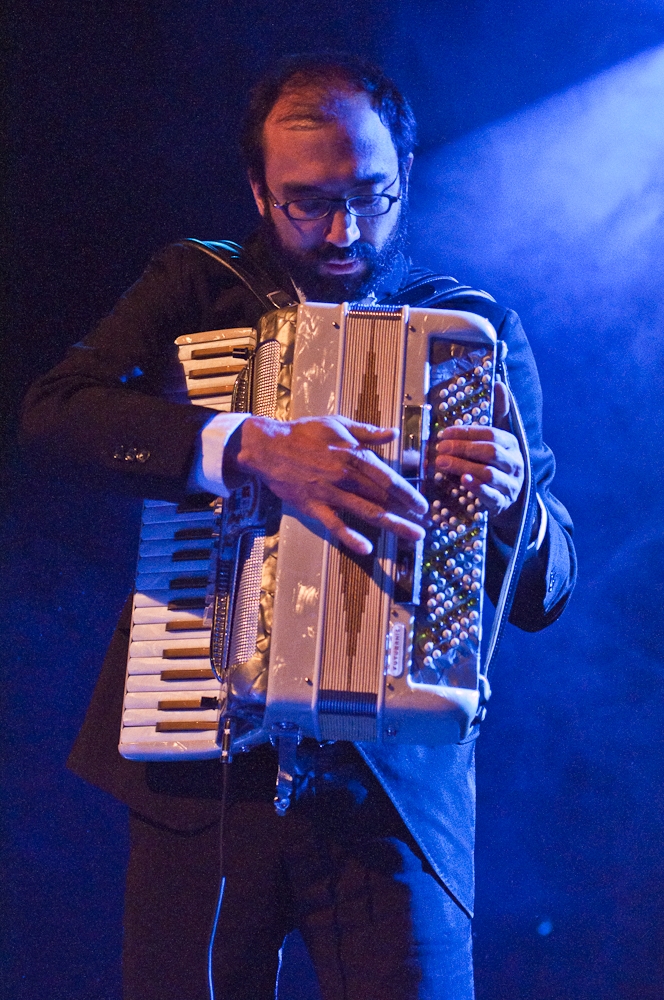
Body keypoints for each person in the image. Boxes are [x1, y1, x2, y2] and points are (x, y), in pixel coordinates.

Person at [21, 54, 576, 1000]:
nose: (344, 231)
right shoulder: (197, 289)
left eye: (371, 196)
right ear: (257, 189)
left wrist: (515, 506)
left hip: (395, 800)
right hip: (199, 766)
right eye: (307, 203)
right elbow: (52, 416)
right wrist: (244, 447)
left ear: (407, 174)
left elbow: (547, 588)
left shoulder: (467, 330)